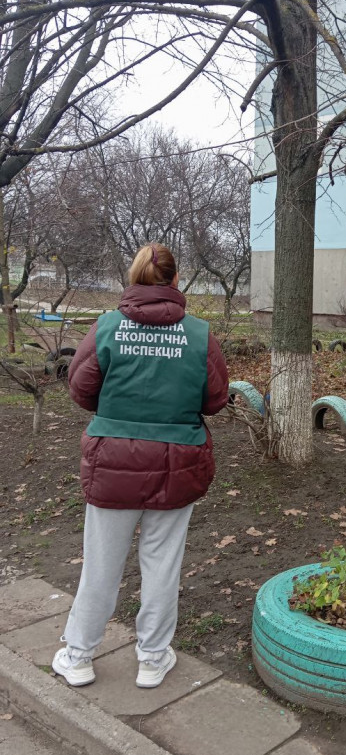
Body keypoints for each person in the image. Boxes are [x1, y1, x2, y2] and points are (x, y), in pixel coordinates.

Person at [52, 244, 228, 688]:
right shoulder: (200, 334)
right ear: (174, 280)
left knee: (100, 564)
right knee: (163, 564)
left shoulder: (108, 326)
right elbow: (215, 399)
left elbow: (80, 388)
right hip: (178, 461)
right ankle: (152, 659)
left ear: (134, 276)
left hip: (113, 462)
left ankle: (78, 657)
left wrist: (117, 412)